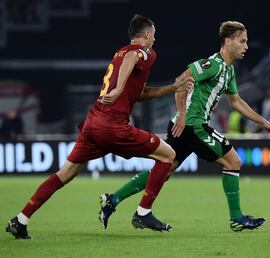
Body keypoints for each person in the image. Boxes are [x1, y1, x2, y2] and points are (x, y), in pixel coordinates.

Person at [5, 14, 193, 239]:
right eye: (154, 35)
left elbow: (140, 93)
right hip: (113, 126)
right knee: (168, 156)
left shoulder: (118, 54)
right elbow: (133, 58)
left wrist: (172, 87)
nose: (154, 40)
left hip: (93, 123)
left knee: (64, 173)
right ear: (146, 34)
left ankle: (21, 219)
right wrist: (118, 88)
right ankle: (143, 212)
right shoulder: (144, 52)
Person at [99, 21, 270, 232]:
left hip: (186, 127)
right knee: (233, 161)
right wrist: (183, 115)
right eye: (242, 41)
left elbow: (236, 103)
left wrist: (264, 122)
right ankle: (237, 217)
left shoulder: (228, 72)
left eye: (246, 42)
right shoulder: (211, 64)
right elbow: (181, 80)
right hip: (192, 126)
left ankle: (113, 200)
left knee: (165, 170)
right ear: (228, 41)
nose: (246, 46)